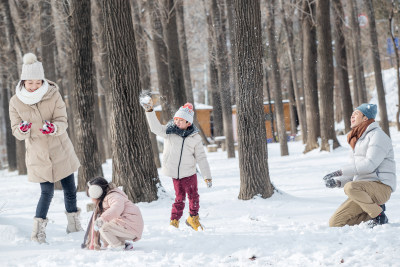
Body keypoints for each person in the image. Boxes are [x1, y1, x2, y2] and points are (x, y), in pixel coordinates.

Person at [9, 53, 82, 243]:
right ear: (23, 81)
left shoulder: (53, 94)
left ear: (42, 80)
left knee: (70, 189)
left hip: (60, 149)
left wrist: (54, 128)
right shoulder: (15, 101)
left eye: (37, 82)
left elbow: (63, 121)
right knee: (46, 192)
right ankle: (38, 232)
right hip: (38, 154)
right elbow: (15, 130)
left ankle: (74, 226)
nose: (33, 86)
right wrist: (23, 130)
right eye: (29, 83)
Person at [141, 98, 212, 231]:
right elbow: (155, 128)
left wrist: (207, 176)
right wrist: (150, 111)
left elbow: (201, 158)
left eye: (180, 120)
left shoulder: (195, 137)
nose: (177, 122)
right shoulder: (169, 132)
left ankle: (193, 218)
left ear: (188, 122)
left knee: (194, 196)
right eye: (176, 119)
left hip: (189, 172)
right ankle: (174, 221)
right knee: (179, 198)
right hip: (175, 173)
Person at [323, 103, 396, 227]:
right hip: (361, 191)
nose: (352, 116)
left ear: (365, 118)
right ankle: (374, 210)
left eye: (356, 114)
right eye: (352, 114)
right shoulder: (357, 140)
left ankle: (379, 217)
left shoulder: (378, 136)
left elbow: (369, 165)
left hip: (380, 187)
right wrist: (338, 182)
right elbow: (354, 171)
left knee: (350, 187)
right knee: (335, 223)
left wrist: (339, 171)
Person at [83, 177, 144, 251]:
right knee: (101, 230)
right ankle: (122, 244)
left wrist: (102, 219)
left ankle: (118, 246)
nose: (92, 199)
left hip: (130, 225)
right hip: (125, 225)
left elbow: (116, 209)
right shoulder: (107, 197)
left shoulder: (113, 196)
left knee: (104, 227)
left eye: (91, 196)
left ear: (96, 192)